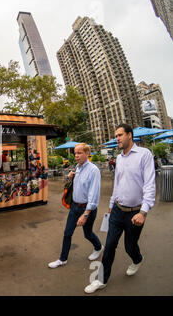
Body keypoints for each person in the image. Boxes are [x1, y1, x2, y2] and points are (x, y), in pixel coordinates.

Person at [85, 124, 156, 294]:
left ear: (130, 135)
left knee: (130, 247)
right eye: (116, 135)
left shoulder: (144, 154)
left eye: (120, 135)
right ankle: (101, 280)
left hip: (135, 213)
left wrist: (143, 212)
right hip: (117, 210)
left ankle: (137, 259)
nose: (117, 138)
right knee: (109, 245)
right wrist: (110, 205)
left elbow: (150, 185)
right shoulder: (119, 158)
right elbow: (117, 184)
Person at [48, 143, 103, 269]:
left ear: (87, 154)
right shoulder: (77, 168)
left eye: (79, 153)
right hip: (74, 207)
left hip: (87, 209)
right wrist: (70, 178)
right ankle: (62, 259)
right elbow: (74, 187)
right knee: (67, 233)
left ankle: (98, 247)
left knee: (87, 234)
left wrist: (85, 214)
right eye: (75, 153)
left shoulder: (93, 170)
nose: (76, 156)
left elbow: (94, 196)